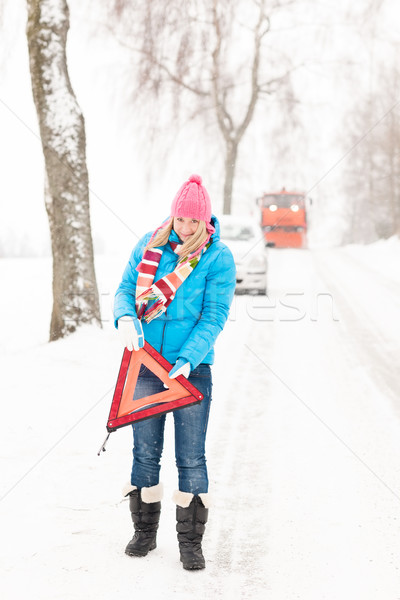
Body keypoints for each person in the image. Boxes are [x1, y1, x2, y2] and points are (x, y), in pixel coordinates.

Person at [113, 174, 236, 570]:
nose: (184, 228)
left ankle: (190, 544)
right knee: (144, 455)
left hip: (191, 370)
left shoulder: (217, 258)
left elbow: (214, 314)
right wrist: (125, 318)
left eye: (192, 223)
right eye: (180, 219)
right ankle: (144, 534)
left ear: (205, 222)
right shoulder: (149, 245)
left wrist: (189, 357)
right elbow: (124, 289)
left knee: (191, 459)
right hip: (146, 366)